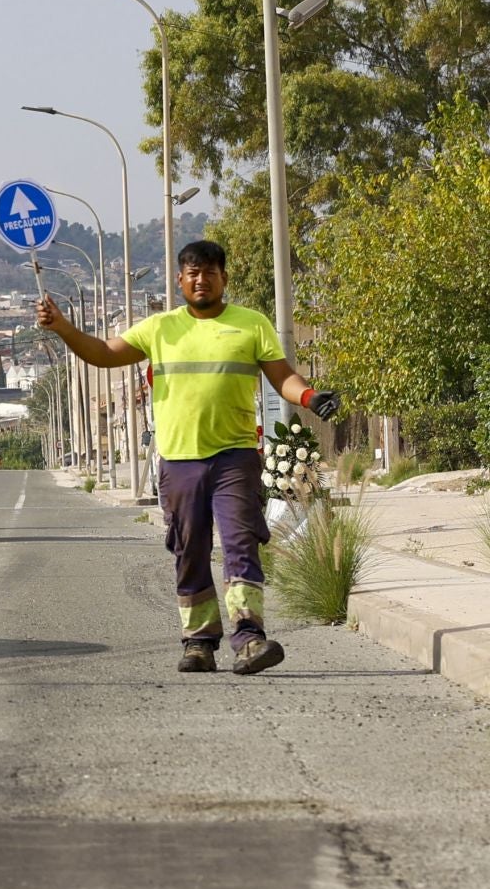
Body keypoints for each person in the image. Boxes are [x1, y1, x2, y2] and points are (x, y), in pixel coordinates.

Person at [37, 239, 340, 676]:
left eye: (210, 272)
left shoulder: (251, 325)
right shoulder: (159, 328)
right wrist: (64, 328)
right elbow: (103, 355)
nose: (202, 280)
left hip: (235, 458)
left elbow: (282, 377)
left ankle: (249, 639)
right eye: (193, 273)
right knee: (190, 549)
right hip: (179, 461)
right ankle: (199, 643)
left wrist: (310, 396)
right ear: (180, 280)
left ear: (224, 279)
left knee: (240, 543)